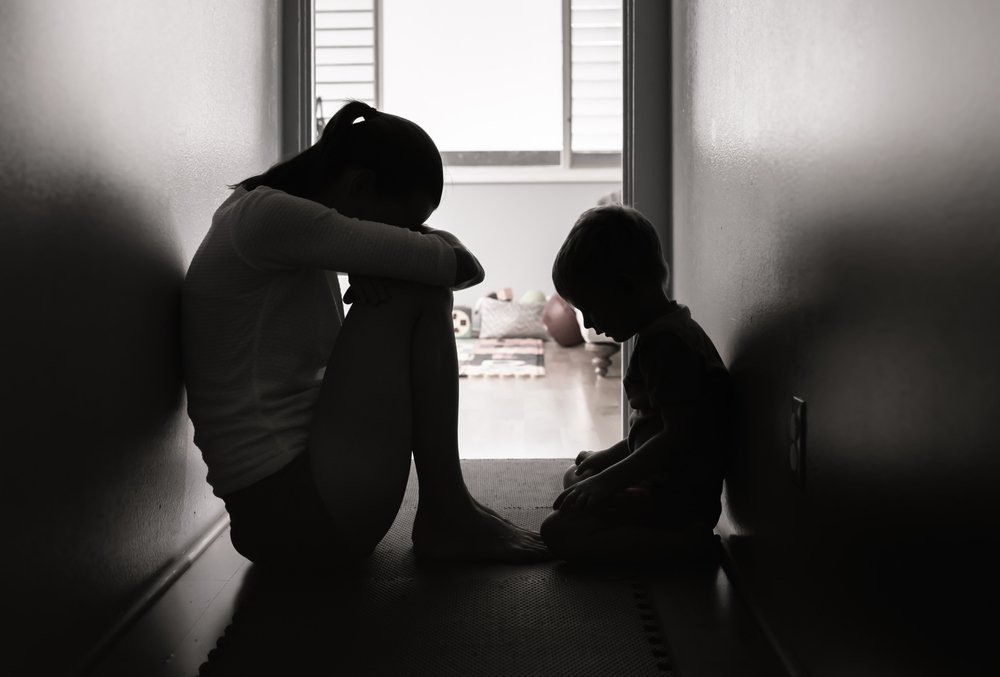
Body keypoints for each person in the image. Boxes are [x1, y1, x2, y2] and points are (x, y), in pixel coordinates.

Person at [182, 100, 548, 572]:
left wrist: (379, 251)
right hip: (295, 513)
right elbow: (462, 267)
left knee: (409, 282)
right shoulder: (270, 217)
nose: (407, 237)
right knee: (418, 291)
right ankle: (447, 512)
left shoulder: (265, 220)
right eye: (403, 226)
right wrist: (401, 254)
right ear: (358, 185)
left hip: (290, 510)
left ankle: (449, 509)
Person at [540, 205, 732, 564]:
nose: (590, 326)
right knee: (577, 476)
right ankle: (666, 535)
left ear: (626, 288)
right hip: (665, 480)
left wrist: (607, 481)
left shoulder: (668, 346)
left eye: (591, 309)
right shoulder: (666, 331)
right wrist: (608, 460)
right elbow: (651, 429)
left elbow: (678, 439)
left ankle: (685, 547)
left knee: (558, 533)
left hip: (676, 498)